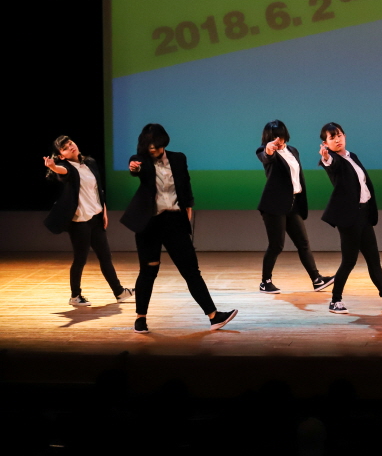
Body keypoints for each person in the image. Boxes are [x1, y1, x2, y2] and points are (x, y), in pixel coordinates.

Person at [121, 123, 237, 333]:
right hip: (150, 224)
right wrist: (134, 168)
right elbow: (135, 168)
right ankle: (140, 318)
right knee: (148, 271)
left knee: (191, 270)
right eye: (149, 146)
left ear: (163, 142)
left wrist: (189, 206)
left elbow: (185, 183)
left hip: (174, 220)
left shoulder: (178, 158)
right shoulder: (140, 160)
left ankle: (214, 316)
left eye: (156, 145)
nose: (152, 149)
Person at [317, 122, 382, 314]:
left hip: (364, 214)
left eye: (339, 135)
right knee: (349, 261)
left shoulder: (352, 156)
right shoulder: (333, 160)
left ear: (344, 136)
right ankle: (335, 300)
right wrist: (326, 157)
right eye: (332, 137)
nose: (337, 139)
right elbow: (331, 165)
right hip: (349, 217)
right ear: (325, 143)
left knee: (373, 259)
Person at [43, 136, 133, 306]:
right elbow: (63, 171)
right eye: (65, 148)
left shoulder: (89, 162)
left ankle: (119, 292)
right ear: (61, 156)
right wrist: (53, 167)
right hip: (80, 220)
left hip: (96, 217)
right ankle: (75, 296)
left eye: (70, 143)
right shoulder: (66, 166)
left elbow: (98, 188)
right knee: (80, 259)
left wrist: (104, 210)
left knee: (105, 257)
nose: (71, 147)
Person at [256, 120, 334, 294]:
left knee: (303, 243)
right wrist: (269, 149)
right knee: (276, 245)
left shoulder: (292, 151)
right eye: (274, 137)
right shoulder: (264, 151)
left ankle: (317, 279)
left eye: (281, 136)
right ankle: (265, 282)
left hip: (293, 204)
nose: (278, 140)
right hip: (274, 206)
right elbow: (266, 157)